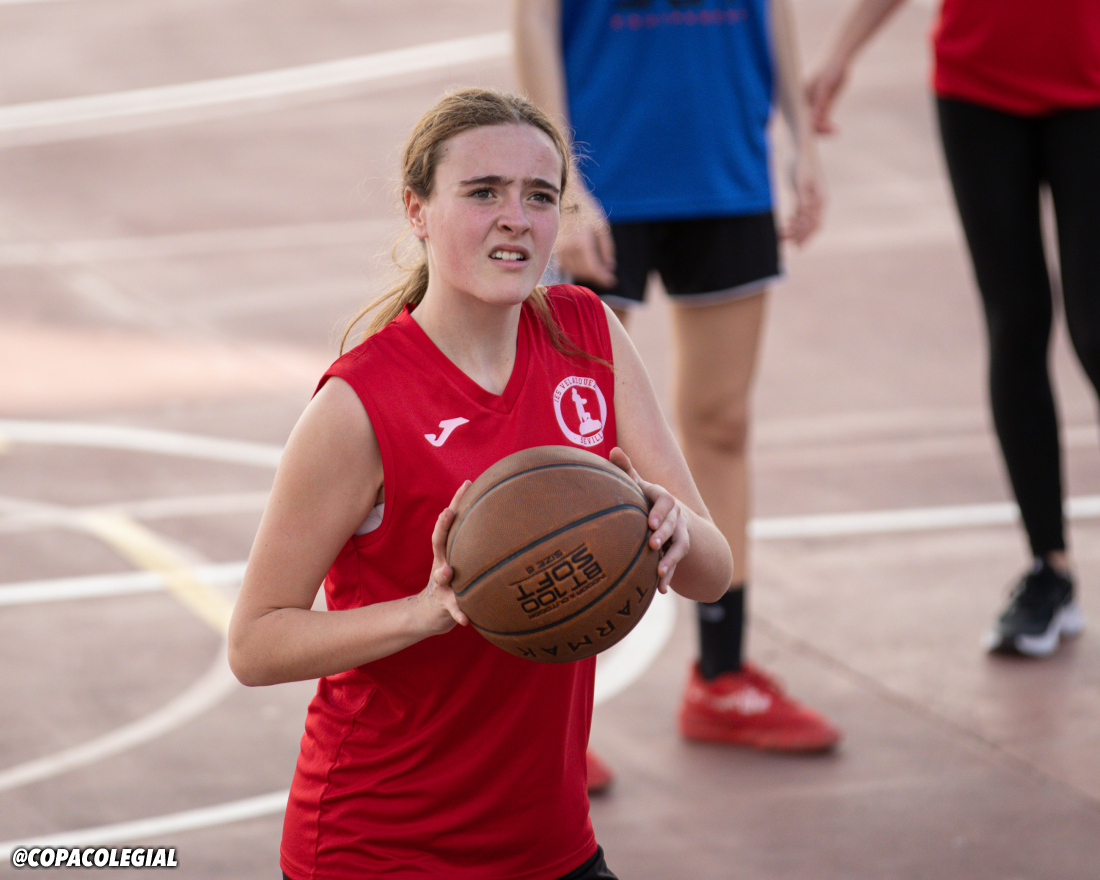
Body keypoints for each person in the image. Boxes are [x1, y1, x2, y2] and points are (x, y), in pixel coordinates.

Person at [227, 88, 733, 880]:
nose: (516, 219)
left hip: (551, 843)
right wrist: (426, 612)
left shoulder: (588, 334)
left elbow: (713, 572)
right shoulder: (359, 404)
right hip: (380, 848)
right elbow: (255, 644)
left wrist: (670, 526)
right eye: (484, 192)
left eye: (540, 196)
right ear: (418, 211)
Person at [513, 0, 843, 790]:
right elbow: (534, 19)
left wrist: (801, 143)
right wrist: (561, 183)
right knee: (571, 447)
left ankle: (721, 679)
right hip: (605, 171)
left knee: (721, 424)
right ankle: (543, 720)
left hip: (725, 166)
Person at [806, 0, 1097, 657]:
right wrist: (841, 51)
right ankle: (1048, 568)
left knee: (1097, 331)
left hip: (1092, 85)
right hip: (976, 88)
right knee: (1015, 321)